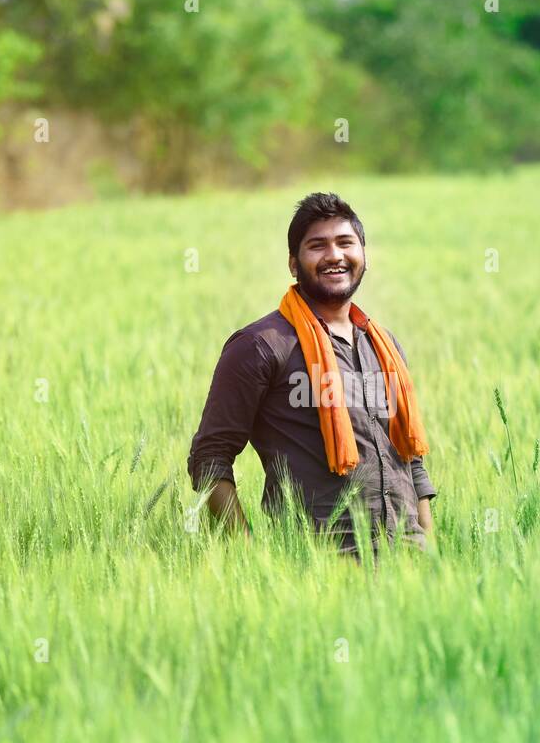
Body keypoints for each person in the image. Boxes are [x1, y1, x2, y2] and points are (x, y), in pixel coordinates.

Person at [186, 191, 436, 557]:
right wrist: (249, 557)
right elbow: (209, 457)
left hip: (411, 564)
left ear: (364, 256)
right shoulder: (261, 345)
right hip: (323, 568)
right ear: (293, 263)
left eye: (345, 243)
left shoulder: (384, 346)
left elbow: (410, 458)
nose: (334, 255)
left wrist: (429, 545)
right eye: (317, 245)